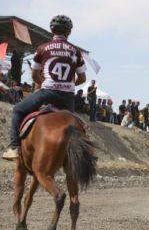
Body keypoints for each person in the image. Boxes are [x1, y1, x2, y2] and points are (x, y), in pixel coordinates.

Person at [3, 15, 86, 159]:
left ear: (52, 31)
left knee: (17, 110)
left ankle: (15, 147)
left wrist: (47, 83)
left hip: (48, 92)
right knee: (75, 124)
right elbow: (83, 78)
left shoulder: (42, 48)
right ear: (69, 32)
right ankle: (82, 153)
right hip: (68, 97)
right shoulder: (75, 51)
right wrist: (68, 84)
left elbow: (35, 75)